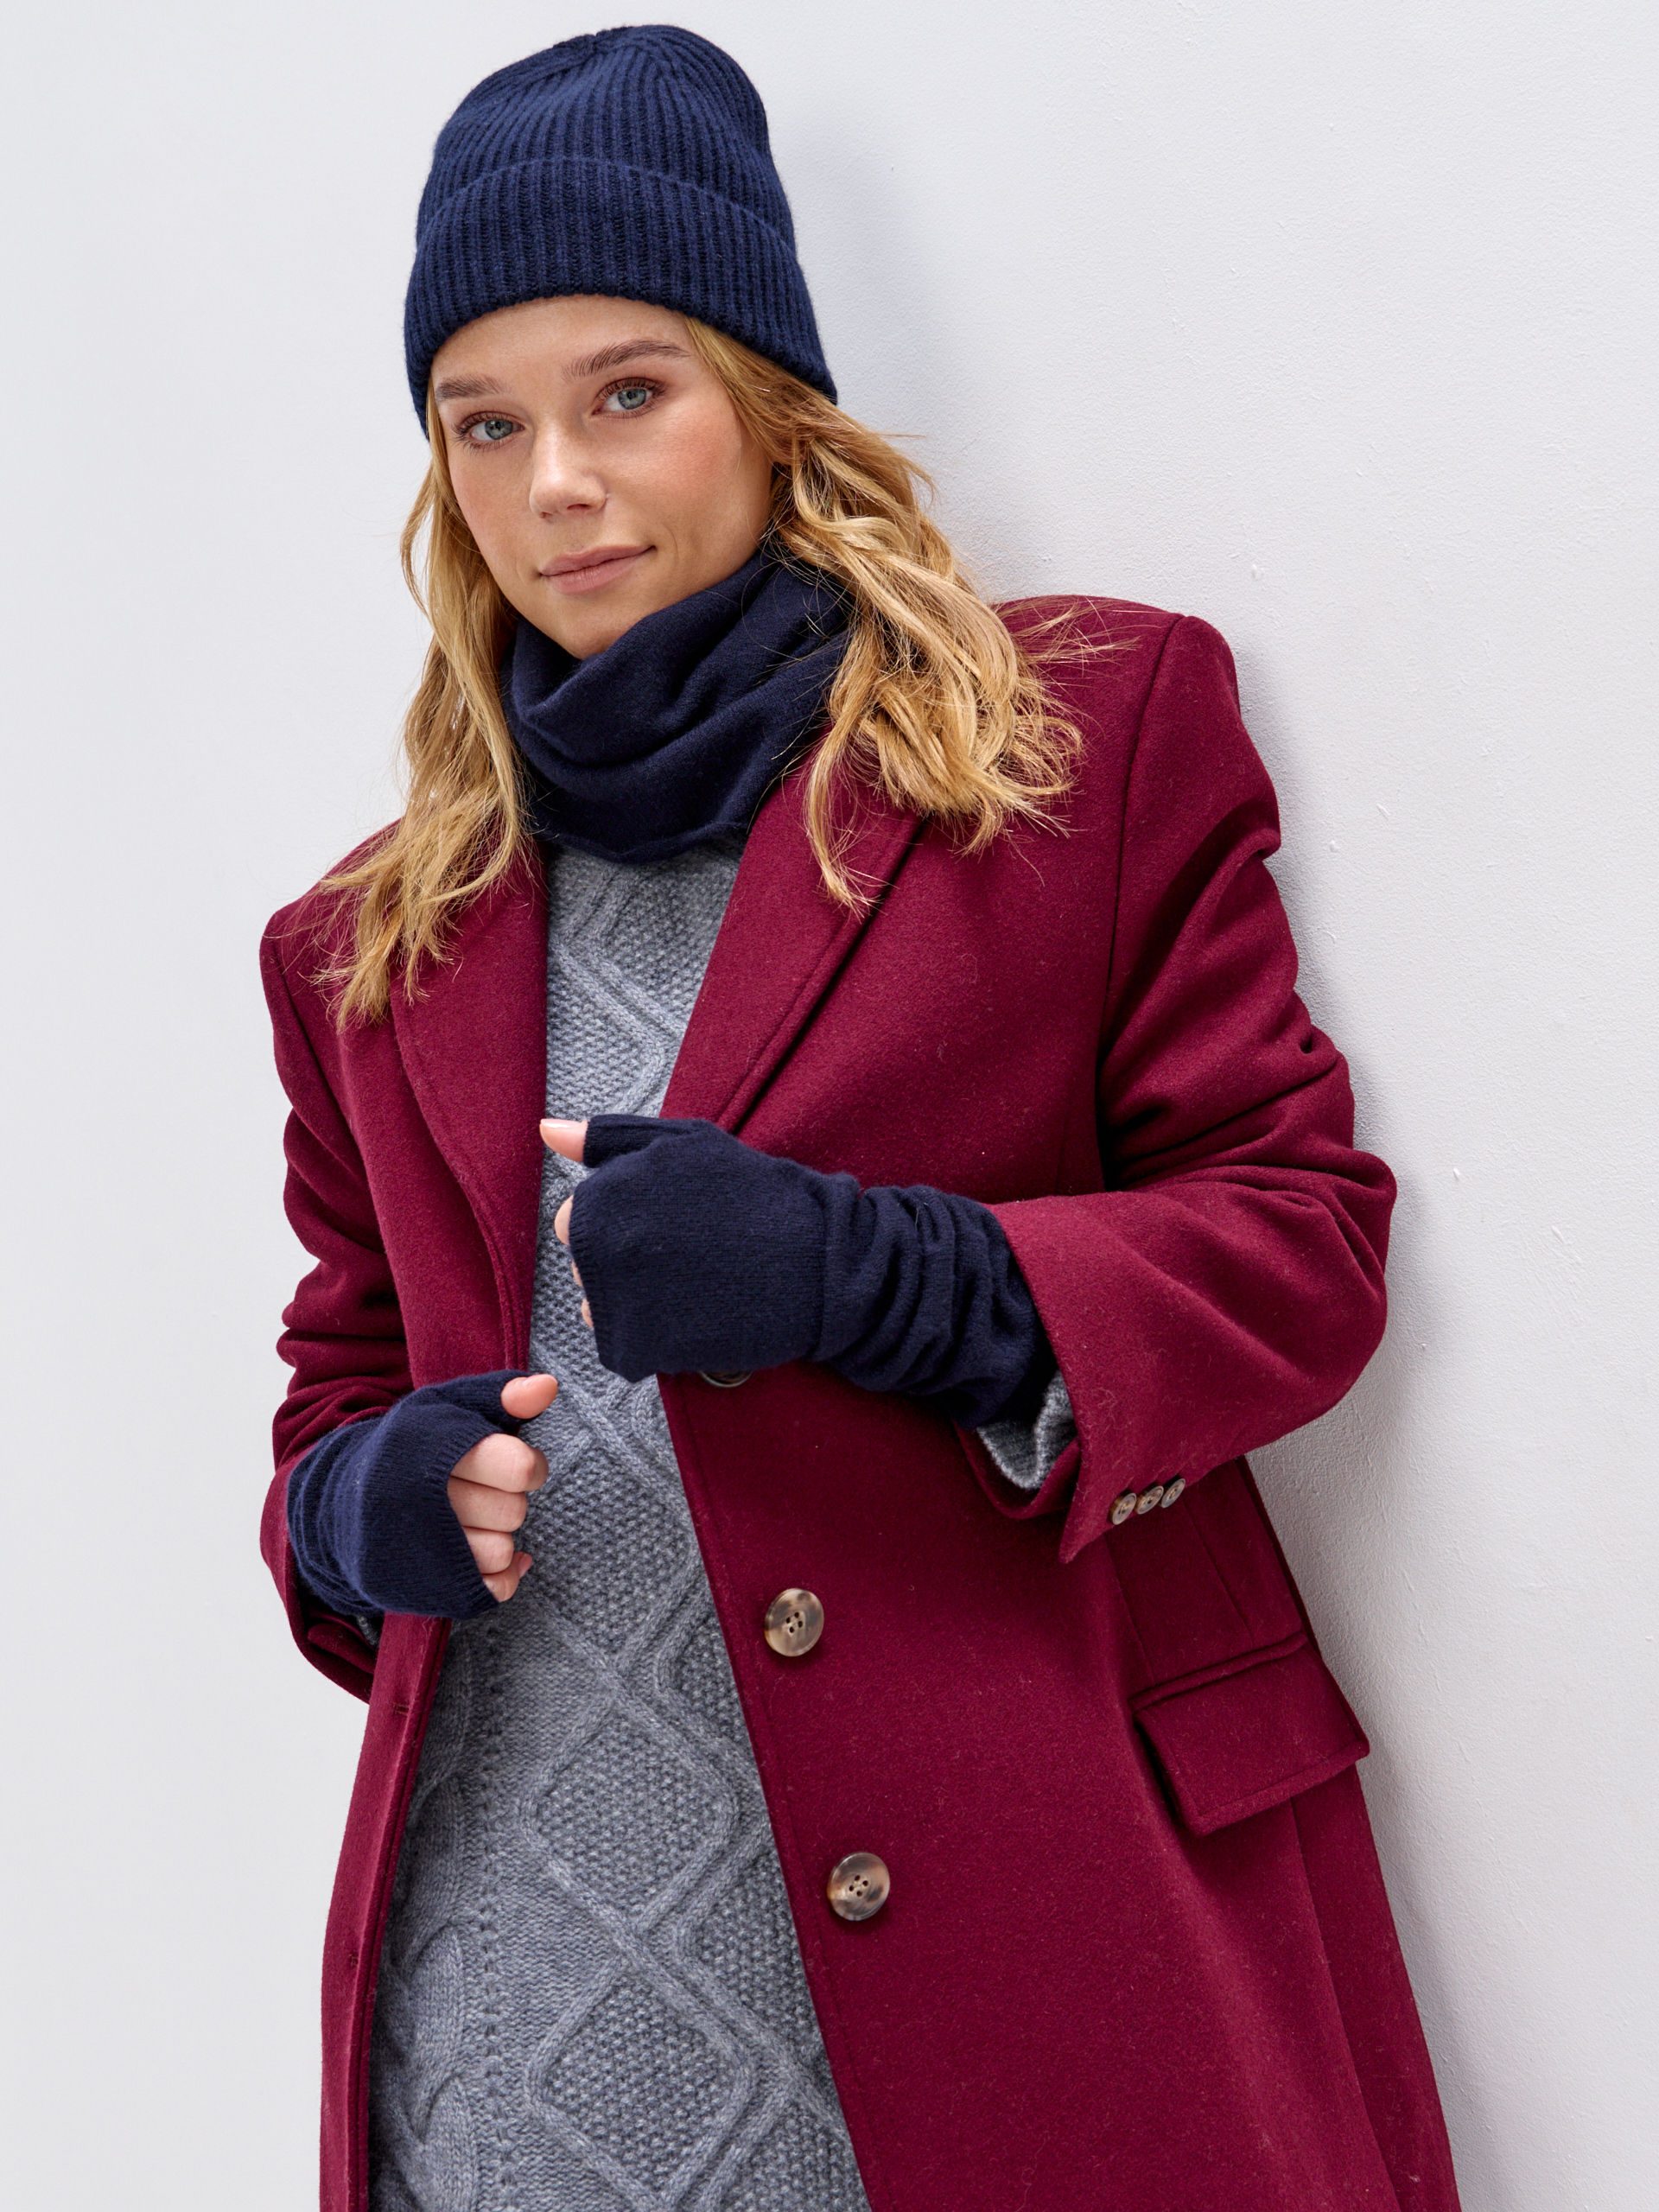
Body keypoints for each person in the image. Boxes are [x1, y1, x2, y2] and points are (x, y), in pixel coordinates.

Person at [261, 25, 1461, 2212]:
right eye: (485, 422)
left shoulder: (1084, 745)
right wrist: (361, 1511)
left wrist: (881, 1273)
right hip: (521, 2012)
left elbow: (1303, 1242)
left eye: (628, 392)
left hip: (1041, 1967)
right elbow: (332, 1395)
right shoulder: (366, 942)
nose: (557, 485)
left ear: (764, 394)